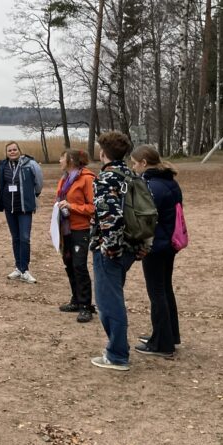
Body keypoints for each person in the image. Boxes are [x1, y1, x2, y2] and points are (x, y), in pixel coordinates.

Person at [90, 130, 144, 372]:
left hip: (113, 249)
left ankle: (117, 354)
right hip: (132, 246)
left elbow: (109, 217)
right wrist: (143, 245)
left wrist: (109, 249)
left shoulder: (106, 179)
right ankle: (116, 351)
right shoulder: (133, 175)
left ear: (103, 153)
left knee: (109, 302)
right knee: (114, 298)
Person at [130, 144, 182, 359]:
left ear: (143, 163)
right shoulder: (169, 181)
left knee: (157, 292)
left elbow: (144, 216)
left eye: (134, 163)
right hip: (168, 243)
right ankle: (169, 335)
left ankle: (162, 343)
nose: (133, 168)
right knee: (165, 289)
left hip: (156, 244)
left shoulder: (152, 186)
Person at [55, 148, 97, 324]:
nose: (59, 160)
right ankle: (76, 300)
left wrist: (72, 207)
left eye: (62, 157)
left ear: (71, 160)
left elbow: (94, 207)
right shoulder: (65, 179)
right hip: (66, 229)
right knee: (69, 264)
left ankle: (86, 306)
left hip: (81, 228)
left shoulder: (87, 179)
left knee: (79, 265)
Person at [0, 141, 44, 284]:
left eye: (15, 149)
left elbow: (39, 181)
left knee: (24, 237)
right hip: (10, 207)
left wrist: (34, 195)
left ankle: (25, 270)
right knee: (15, 238)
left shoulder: (30, 164)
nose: (12, 152)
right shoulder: (2, 165)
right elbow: (1, 184)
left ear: (19, 151)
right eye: (9, 150)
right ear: (6, 153)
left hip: (24, 207)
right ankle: (18, 267)